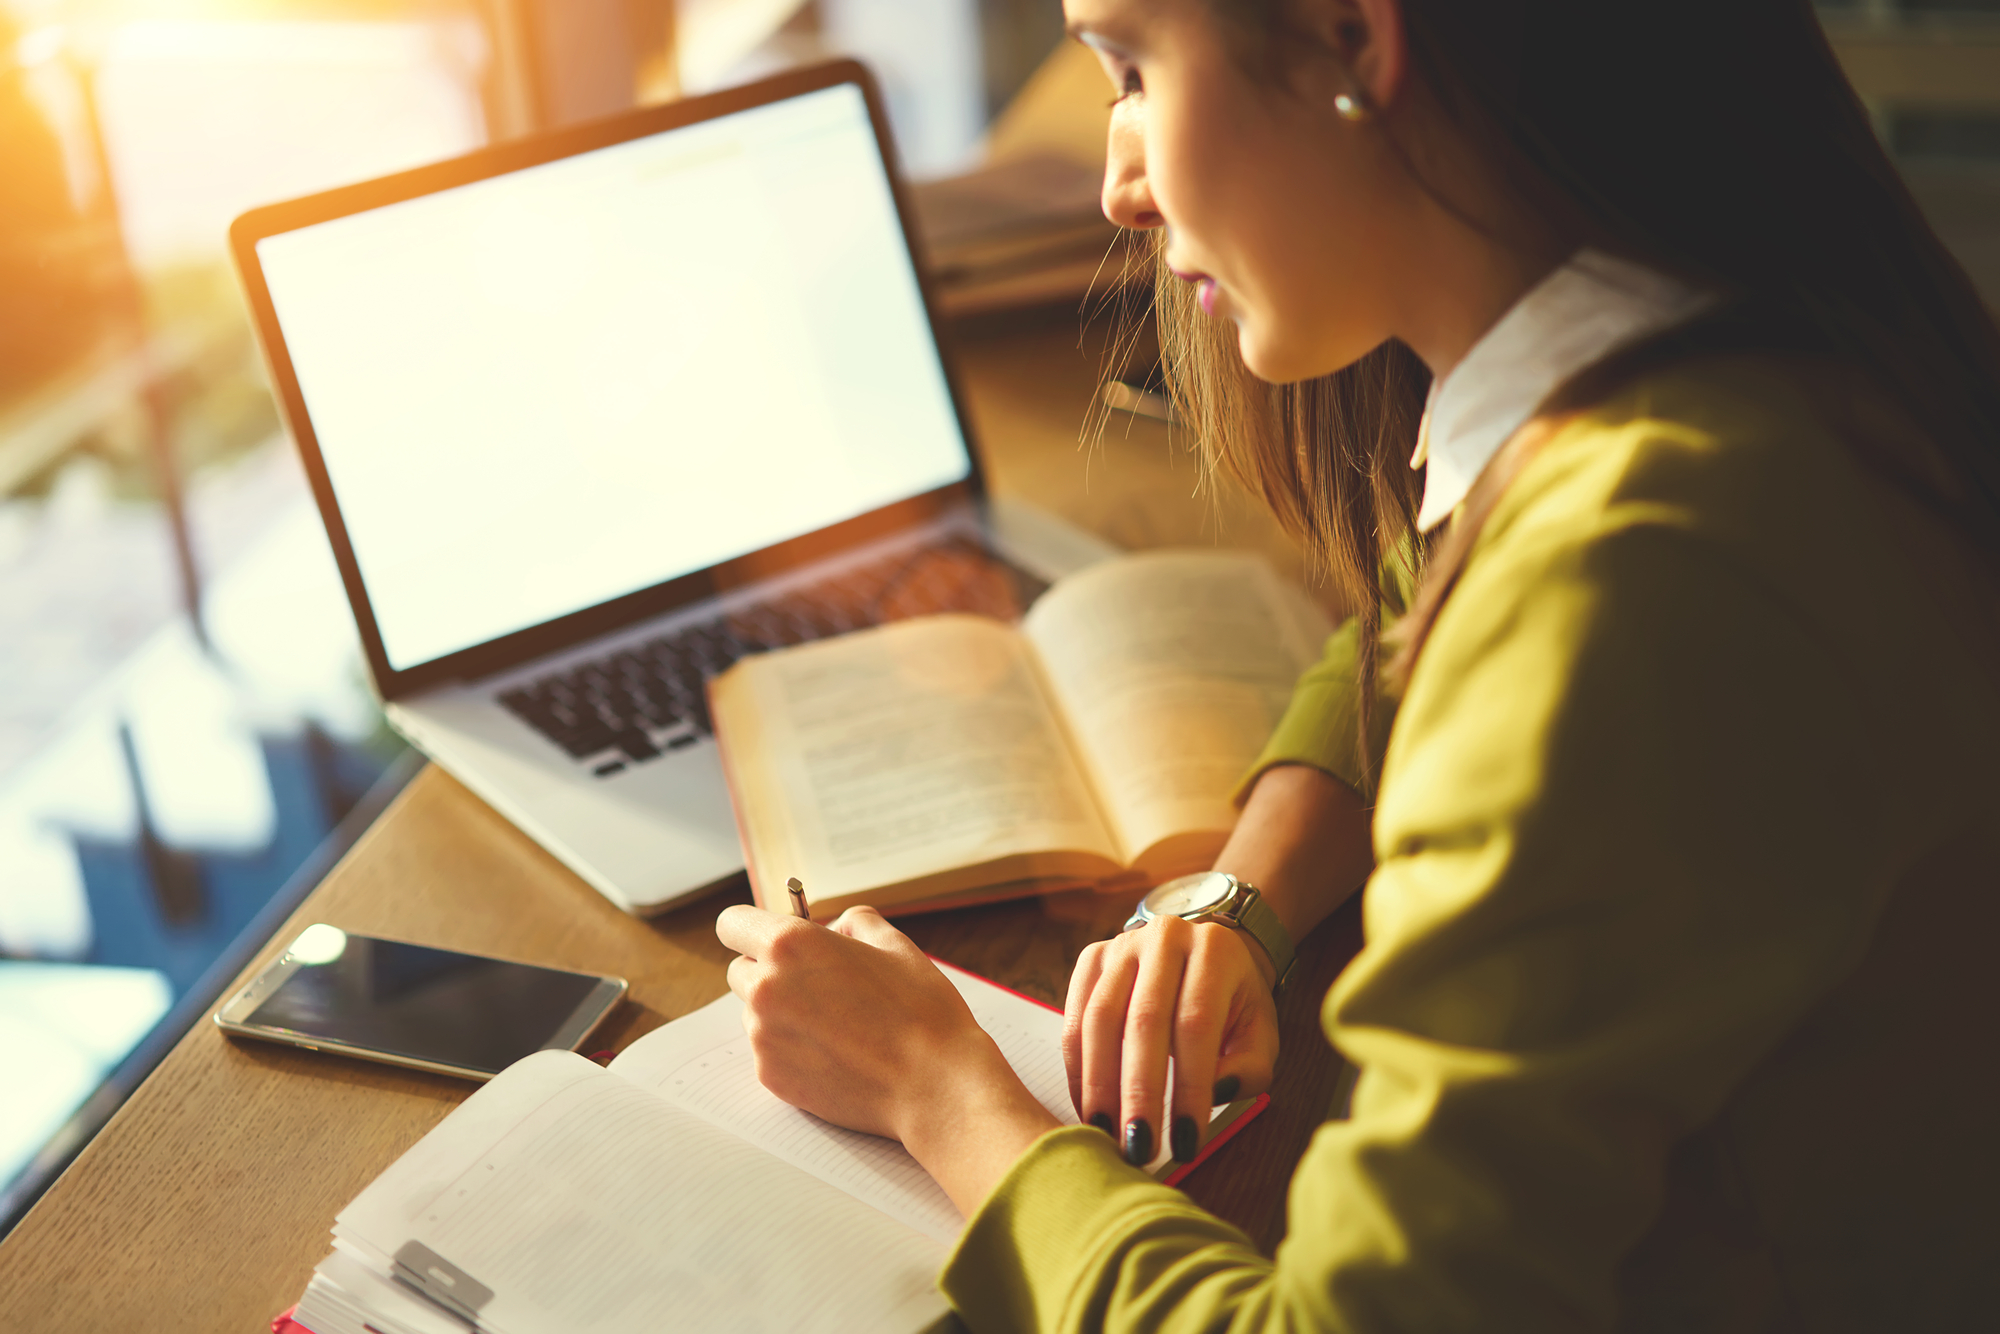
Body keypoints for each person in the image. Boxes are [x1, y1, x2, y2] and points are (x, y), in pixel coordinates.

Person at [718, 0, 2000, 1327]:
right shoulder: (1741, 349)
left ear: (1349, 39)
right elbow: (1417, 606)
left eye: (1136, 68)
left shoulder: (1635, 576)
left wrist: (940, 1088)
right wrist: (1239, 897)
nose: (1118, 184)